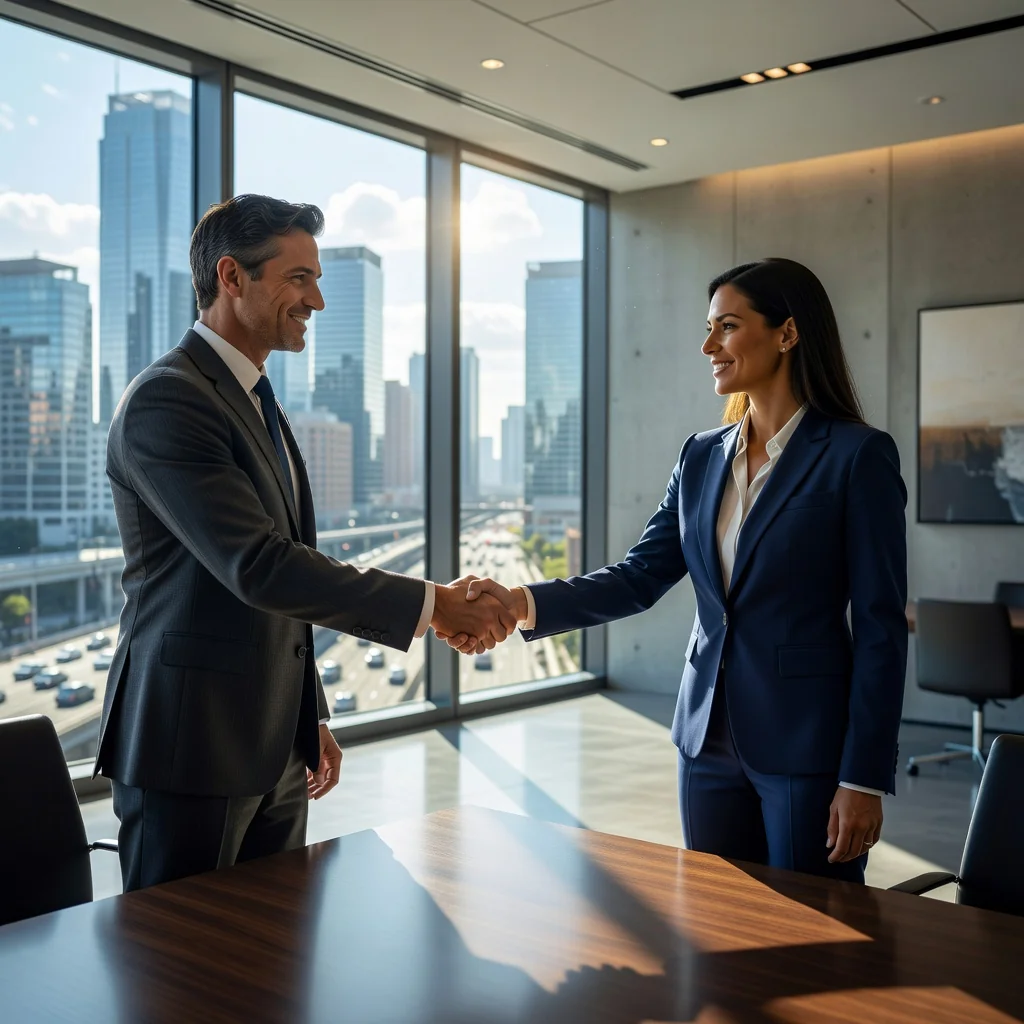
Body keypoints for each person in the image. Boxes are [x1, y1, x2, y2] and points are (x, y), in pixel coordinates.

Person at [97, 194, 513, 891]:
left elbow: (284, 570)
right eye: (299, 278)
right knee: (180, 973)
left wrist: (305, 713)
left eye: (317, 279)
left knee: (271, 960)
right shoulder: (168, 400)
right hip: (191, 747)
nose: (316, 300)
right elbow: (258, 565)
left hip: (274, 747)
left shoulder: (259, 400)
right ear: (233, 277)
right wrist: (435, 603)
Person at [444, 258, 908, 883]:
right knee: (716, 921)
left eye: (727, 326)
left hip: (806, 744)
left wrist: (863, 777)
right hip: (705, 739)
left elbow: (881, 627)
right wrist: (518, 601)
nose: (708, 345)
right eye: (708, 327)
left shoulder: (856, 456)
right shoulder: (700, 456)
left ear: (787, 333)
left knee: (811, 932)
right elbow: (638, 577)